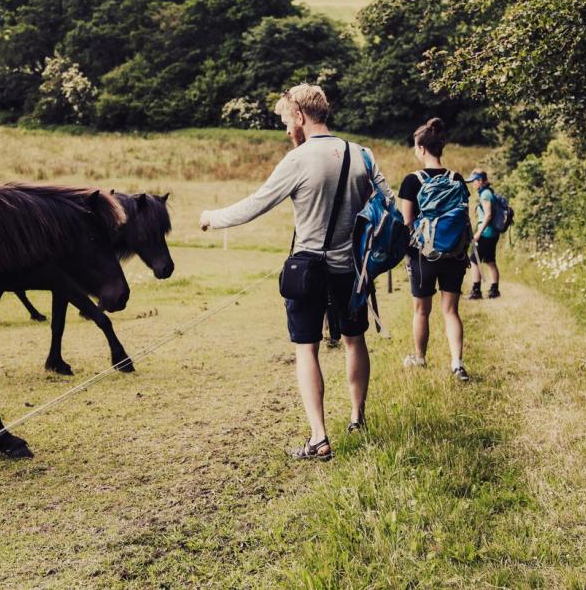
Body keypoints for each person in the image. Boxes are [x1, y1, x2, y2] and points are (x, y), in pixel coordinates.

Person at [199, 84, 395, 461]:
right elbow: (387, 203)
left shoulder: (299, 159)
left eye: (287, 120)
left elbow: (257, 203)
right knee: (355, 339)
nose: (286, 128)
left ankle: (319, 437)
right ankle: (357, 418)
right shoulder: (362, 154)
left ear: (301, 116)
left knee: (307, 348)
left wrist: (213, 218)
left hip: (308, 267)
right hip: (352, 269)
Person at [397, 118, 470, 382]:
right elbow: (465, 218)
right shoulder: (457, 178)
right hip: (454, 253)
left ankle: (420, 358)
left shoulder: (411, 181)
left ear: (422, 148)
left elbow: (406, 222)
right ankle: (457, 363)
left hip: (423, 255)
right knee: (451, 310)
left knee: (421, 310)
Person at [465, 169, 500, 299]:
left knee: (474, 260)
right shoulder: (488, 192)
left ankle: (476, 291)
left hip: (486, 233)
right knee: (490, 261)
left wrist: (479, 233)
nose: (472, 184)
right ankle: (494, 290)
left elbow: (488, 215)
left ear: (480, 181)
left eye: (473, 181)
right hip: (492, 233)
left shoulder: (485, 194)